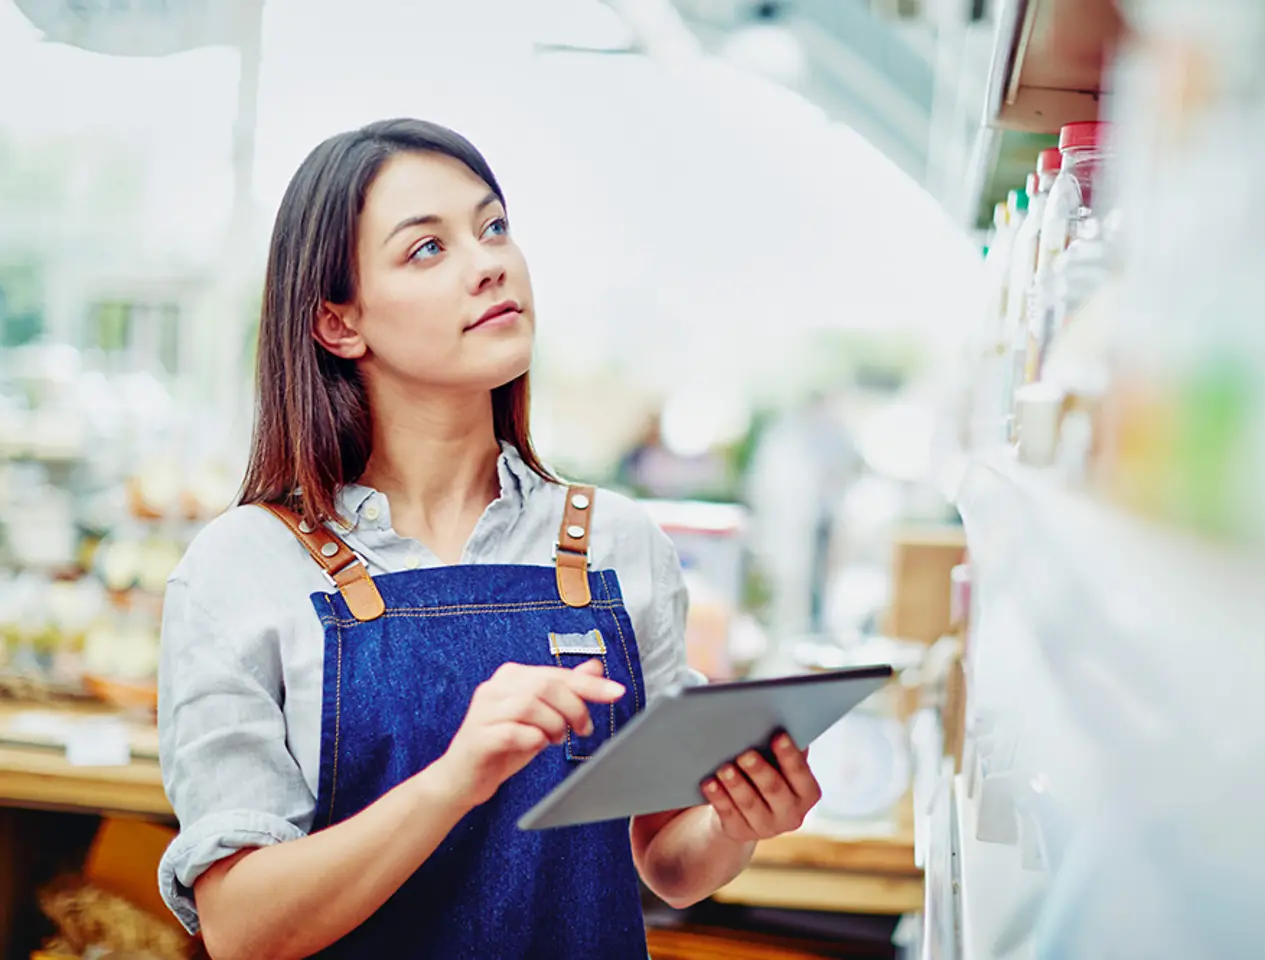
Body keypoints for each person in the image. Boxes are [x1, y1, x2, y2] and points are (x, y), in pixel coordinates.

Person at [157, 118, 823, 959]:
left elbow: (669, 863)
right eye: (426, 250)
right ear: (338, 324)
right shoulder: (244, 569)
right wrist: (454, 780)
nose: (490, 263)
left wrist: (738, 821)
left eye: (493, 226)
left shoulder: (617, 544)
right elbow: (243, 927)